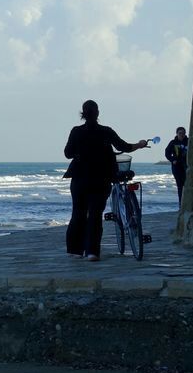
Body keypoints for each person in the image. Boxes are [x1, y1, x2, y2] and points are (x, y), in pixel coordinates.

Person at [63, 100, 147, 261]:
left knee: (78, 213)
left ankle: (75, 250)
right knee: (95, 214)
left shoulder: (76, 131)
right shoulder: (106, 131)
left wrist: (81, 152)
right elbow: (125, 146)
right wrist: (140, 144)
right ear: (98, 113)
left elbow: (68, 153)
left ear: (83, 113)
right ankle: (92, 252)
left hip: (80, 178)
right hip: (101, 178)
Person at [164, 126, 188, 205]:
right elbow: (167, 153)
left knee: (187, 185)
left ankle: (187, 204)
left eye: (183, 133)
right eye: (180, 133)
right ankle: (180, 204)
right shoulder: (173, 142)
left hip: (186, 166)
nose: (182, 135)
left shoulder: (188, 141)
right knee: (180, 185)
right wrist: (172, 159)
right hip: (176, 166)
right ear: (177, 134)